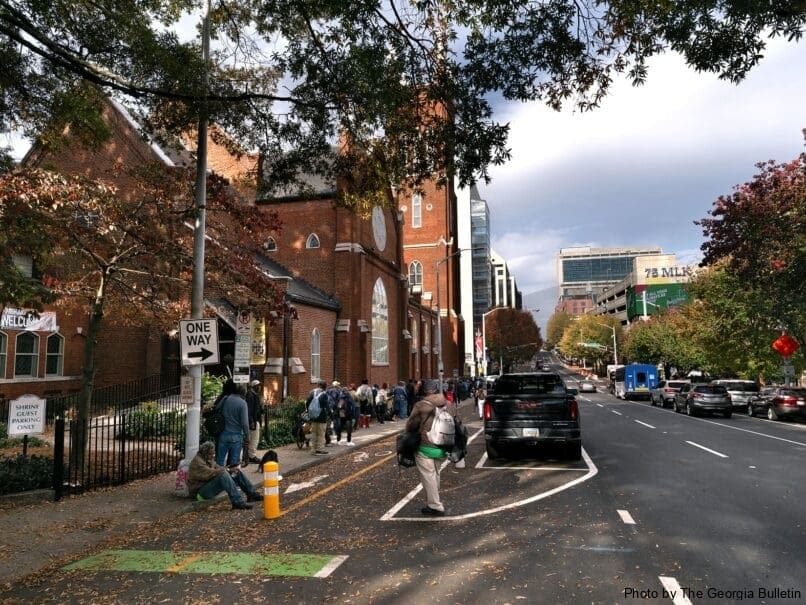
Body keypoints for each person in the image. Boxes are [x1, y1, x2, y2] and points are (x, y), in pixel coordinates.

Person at [404, 378, 457, 517]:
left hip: (425, 446)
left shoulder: (420, 406)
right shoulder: (448, 404)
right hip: (443, 446)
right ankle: (434, 500)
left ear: (425, 391)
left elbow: (410, 426)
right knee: (435, 473)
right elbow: (455, 420)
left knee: (428, 476)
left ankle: (435, 505)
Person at [188, 441, 263, 510]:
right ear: (205, 453)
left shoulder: (207, 457)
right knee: (223, 474)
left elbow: (218, 468)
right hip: (200, 493)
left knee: (236, 472)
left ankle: (252, 494)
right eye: (211, 454)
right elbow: (211, 473)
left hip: (208, 485)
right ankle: (237, 502)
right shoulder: (198, 463)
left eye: (214, 453)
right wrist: (228, 470)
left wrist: (231, 468)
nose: (213, 456)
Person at [216, 380, 250, 467]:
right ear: (243, 394)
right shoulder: (243, 403)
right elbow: (245, 423)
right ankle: (232, 479)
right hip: (236, 436)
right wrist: (247, 436)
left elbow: (217, 408)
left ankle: (219, 478)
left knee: (219, 461)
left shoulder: (226, 398)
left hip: (224, 433)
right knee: (234, 464)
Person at [306, 379, 331, 455]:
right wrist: (331, 415)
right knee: (321, 433)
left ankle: (313, 449)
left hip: (313, 416)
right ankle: (320, 449)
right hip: (322, 416)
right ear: (325, 387)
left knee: (313, 433)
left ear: (318, 385)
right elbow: (326, 406)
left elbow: (307, 403)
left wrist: (309, 412)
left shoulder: (312, 392)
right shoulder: (324, 394)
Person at [245, 379, 263, 464]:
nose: (259, 387)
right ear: (254, 387)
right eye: (258, 386)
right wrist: (251, 421)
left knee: (252, 438)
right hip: (253, 421)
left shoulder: (254, 395)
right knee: (254, 439)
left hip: (255, 420)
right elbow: (249, 410)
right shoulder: (251, 396)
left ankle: (248, 455)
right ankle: (251, 455)